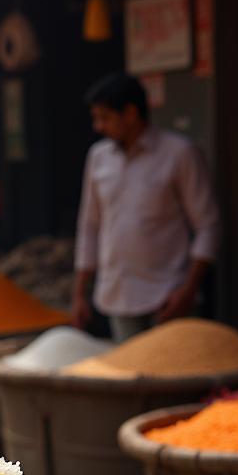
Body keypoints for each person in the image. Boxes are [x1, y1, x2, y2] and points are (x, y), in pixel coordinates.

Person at [73, 72, 220, 342]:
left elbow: (208, 225)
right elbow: (90, 225)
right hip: (118, 294)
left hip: (168, 295)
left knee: (176, 378)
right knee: (131, 378)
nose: (98, 126)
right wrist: (80, 293)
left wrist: (188, 290)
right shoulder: (98, 158)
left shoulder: (179, 154)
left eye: (104, 117)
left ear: (129, 113)